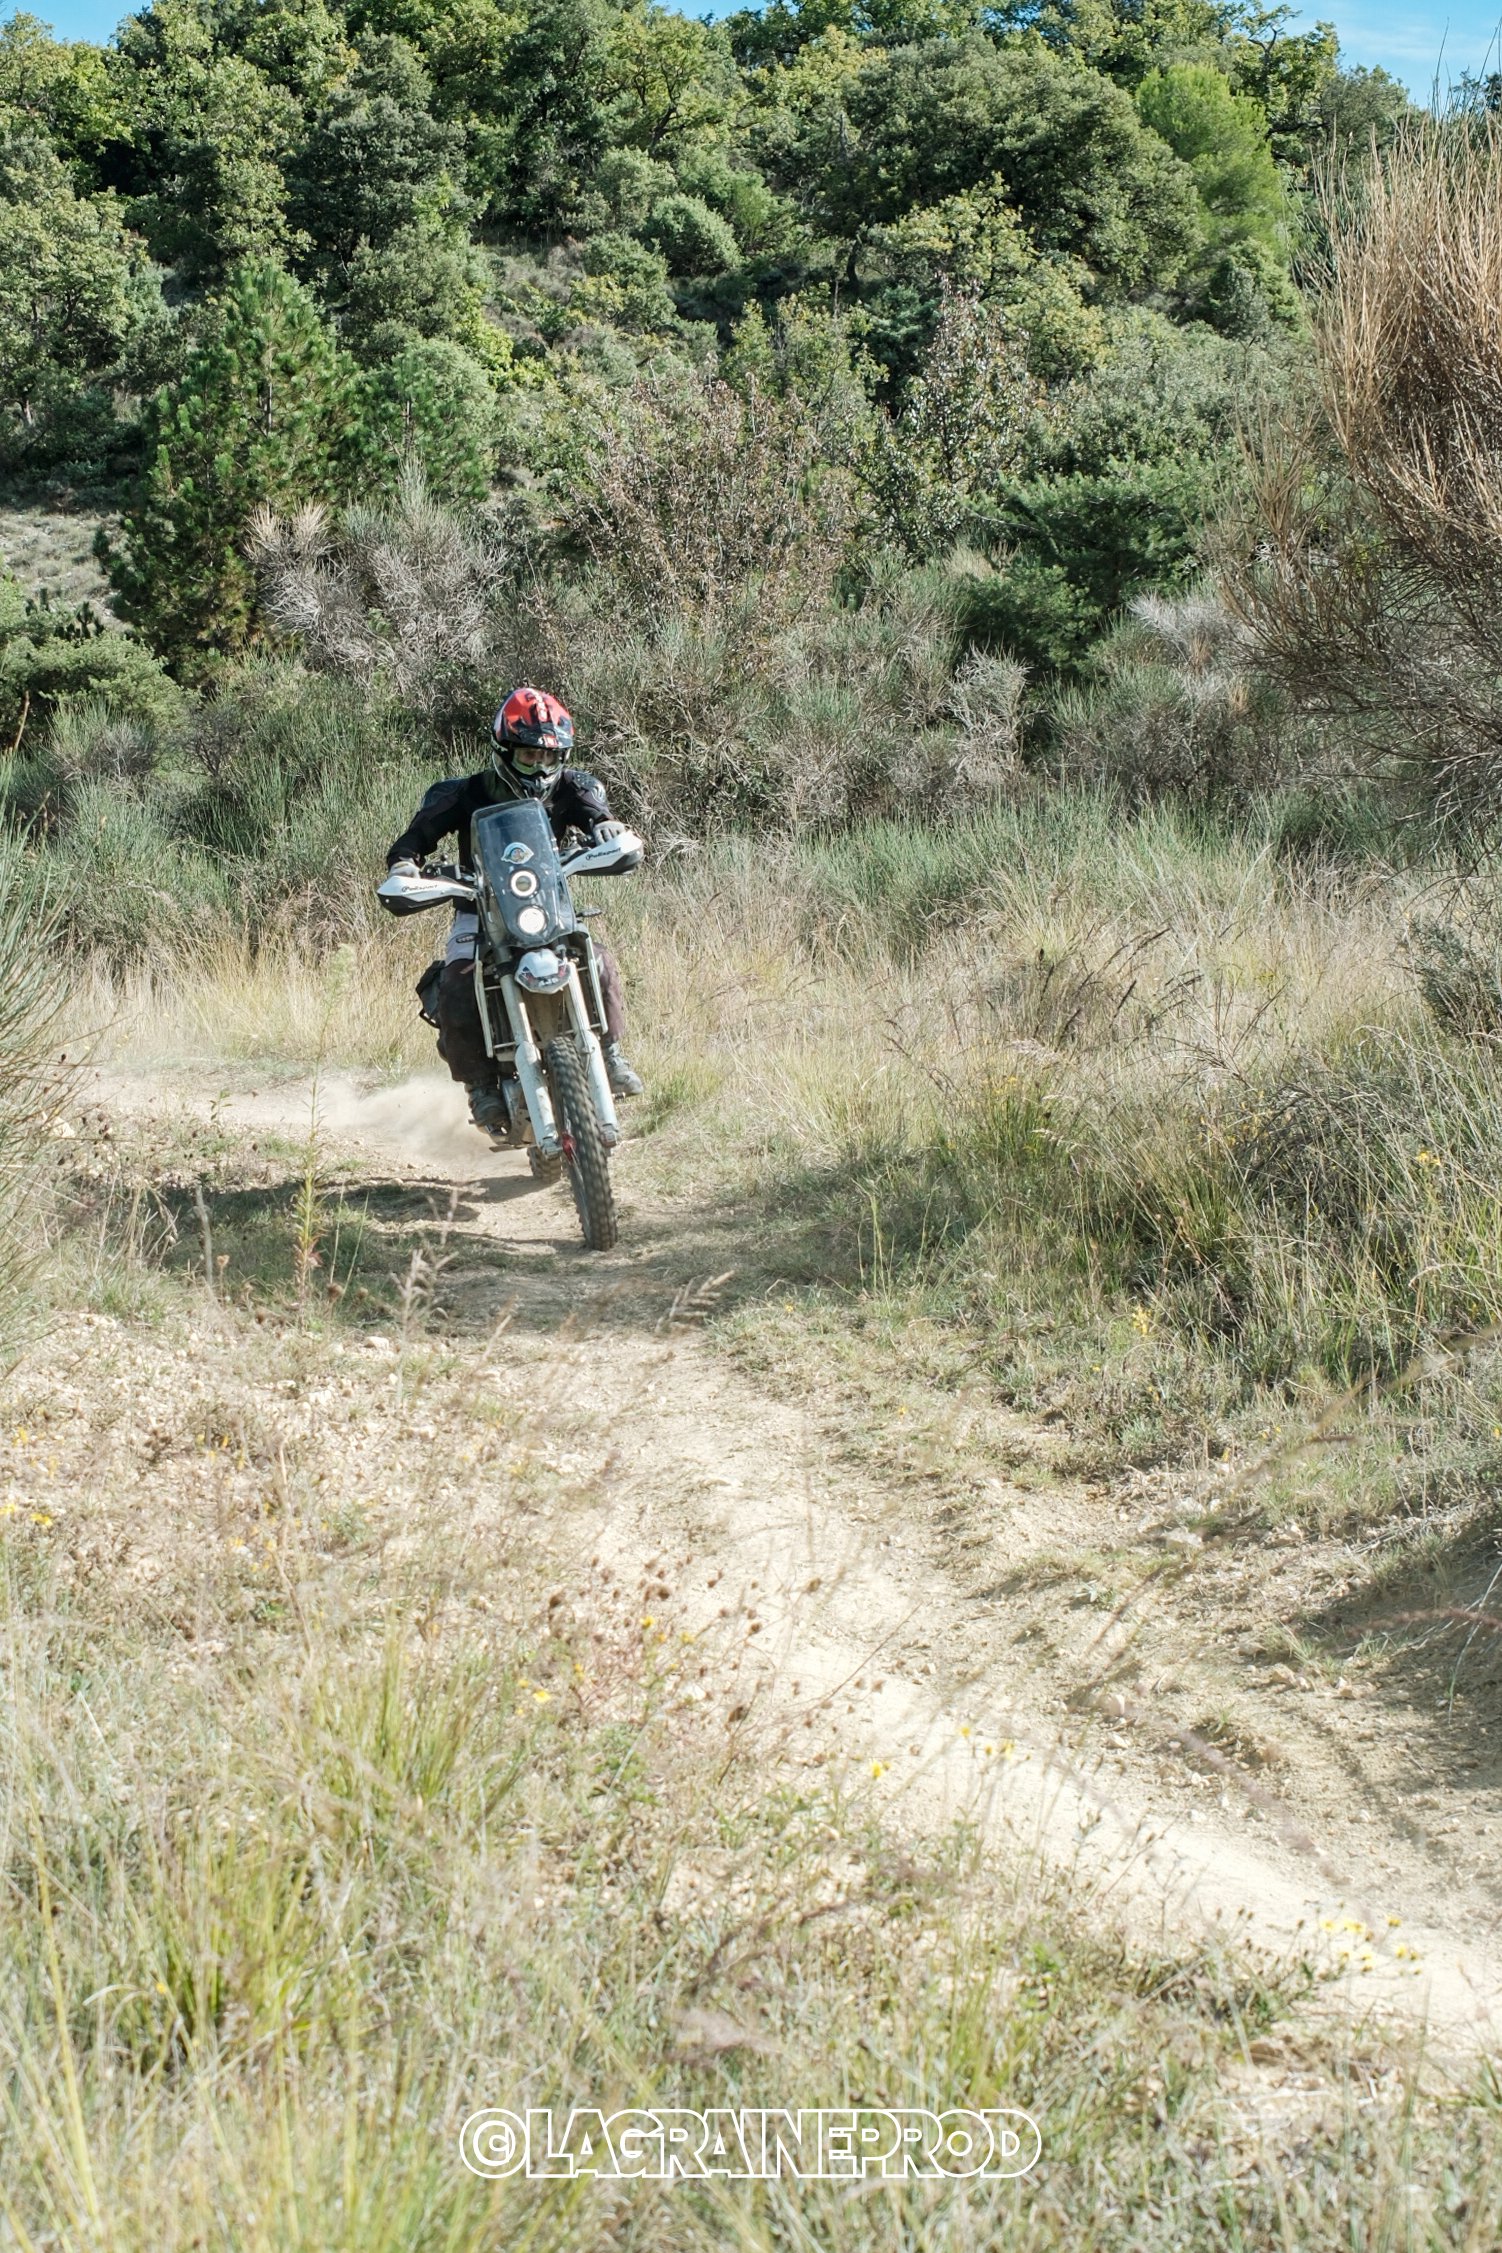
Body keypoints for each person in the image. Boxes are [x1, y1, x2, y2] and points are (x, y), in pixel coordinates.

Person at [386, 686, 645, 1132]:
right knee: (457, 981)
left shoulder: (575, 785)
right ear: (503, 751)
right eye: (529, 757)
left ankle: (609, 1051)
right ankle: (481, 1087)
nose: (542, 767)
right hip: (478, 907)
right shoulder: (461, 793)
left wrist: (605, 827)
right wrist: (406, 864)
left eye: (550, 758)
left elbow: (595, 813)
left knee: (596, 958)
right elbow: (413, 840)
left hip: (546, 903)